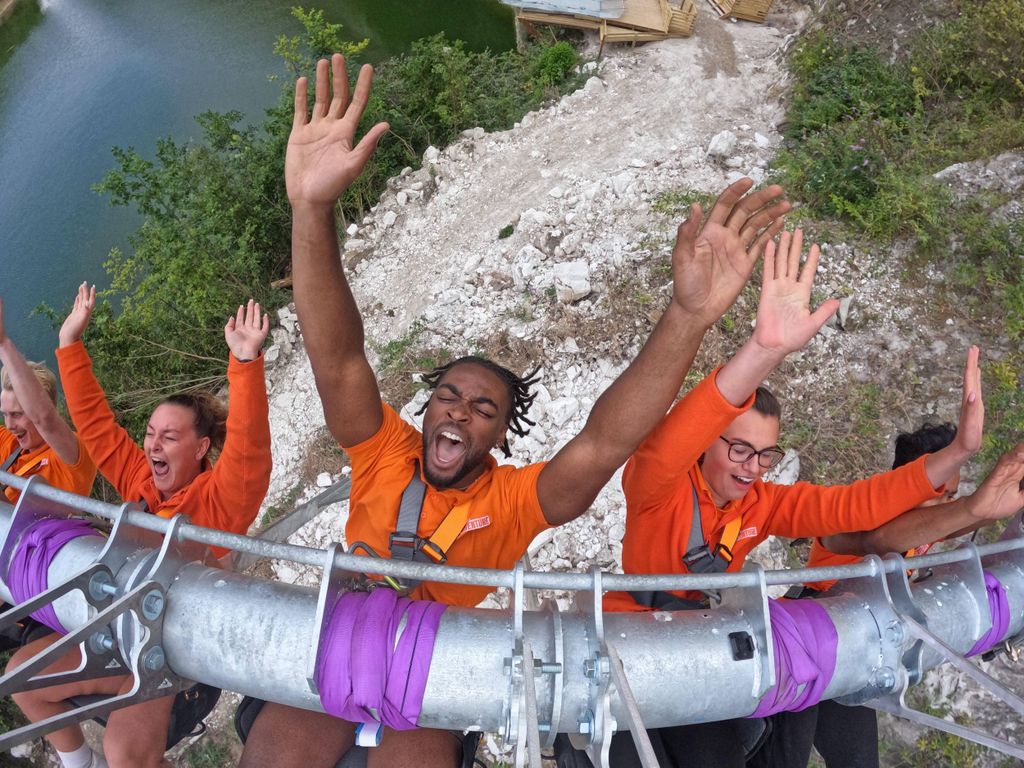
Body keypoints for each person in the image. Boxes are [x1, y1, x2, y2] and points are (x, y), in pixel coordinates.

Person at [238, 53, 793, 768]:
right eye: (447, 395)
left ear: (501, 432)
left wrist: (686, 319)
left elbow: (602, 444)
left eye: (482, 407)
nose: (458, 413)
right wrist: (311, 208)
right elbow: (337, 356)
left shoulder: (513, 501)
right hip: (349, 628)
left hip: (434, 658)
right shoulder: (382, 451)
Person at [601, 229, 983, 767]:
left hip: (707, 642)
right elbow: (667, 443)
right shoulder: (658, 488)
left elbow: (845, 506)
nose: (752, 467)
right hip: (638, 644)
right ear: (703, 445)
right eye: (738, 449)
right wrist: (762, 351)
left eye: (765, 455)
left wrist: (956, 457)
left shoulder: (762, 503)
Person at [7, 291, 273, 768]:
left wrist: (245, 363)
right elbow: (96, 425)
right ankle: (78, 764)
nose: (153, 444)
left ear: (201, 448)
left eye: (169, 437)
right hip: (119, 626)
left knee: (125, 754)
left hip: (174, 644)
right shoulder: (140, 482)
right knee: (22, 677)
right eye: (150, 433)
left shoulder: (218, 500)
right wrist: (69, 342)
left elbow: (249, 452)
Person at [769, 414, 1024, 768]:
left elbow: (959, 520)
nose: (945, 504)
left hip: (862, 651)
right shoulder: (857, 516)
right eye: (938, 495)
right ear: (906, 483)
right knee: (783, 758)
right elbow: (881, 540)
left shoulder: (925, 523)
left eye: (951, 495)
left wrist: (997, 502)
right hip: (810, 639)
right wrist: (971, 509)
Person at [0, 299, 96, 503]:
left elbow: (45, 420)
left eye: (17, 414)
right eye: (5, 414)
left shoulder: (71, 457)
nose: (9, 425)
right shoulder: (11, 443)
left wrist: (3, 344)